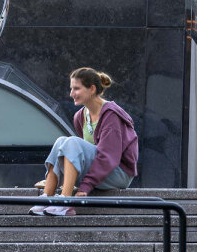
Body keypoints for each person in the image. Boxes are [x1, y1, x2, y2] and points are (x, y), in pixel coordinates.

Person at [30, 67, 138, 216]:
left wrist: (85, 186)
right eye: (71, 88)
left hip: (118, 173)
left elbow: (108, 158)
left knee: (72, 142)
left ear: (91, 89)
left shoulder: (110, 116)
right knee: (61, 141)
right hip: (99, 170)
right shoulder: (80, 116)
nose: (71, 94)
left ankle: (66, 202)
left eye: (76, 89)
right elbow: (85, 154)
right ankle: (46, 198)